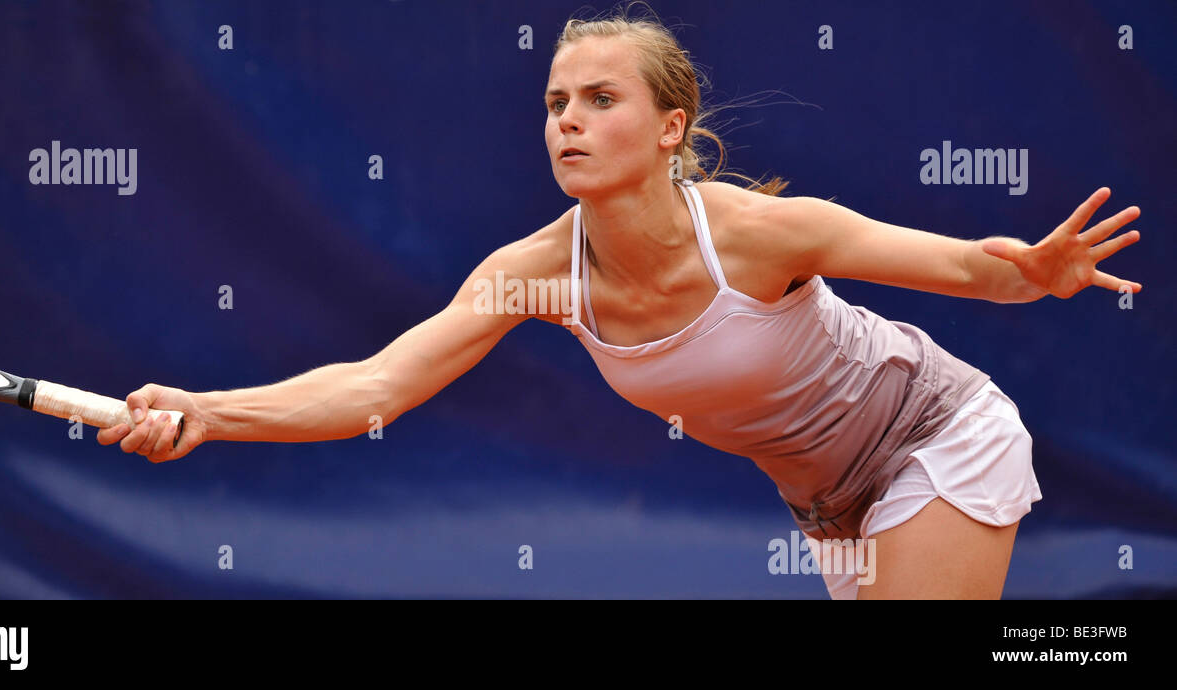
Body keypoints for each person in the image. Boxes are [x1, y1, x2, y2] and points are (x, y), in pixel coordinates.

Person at [96, 5, 1143, 599]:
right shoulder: (533, 271)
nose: (569, 121)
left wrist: (1032, 270)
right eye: (555, 102)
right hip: (826, 505)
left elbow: (971, 269)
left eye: (602, 100)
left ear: (670, 127)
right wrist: (210, 409)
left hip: (934, 434)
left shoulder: (760, 234)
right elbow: (376, 386)